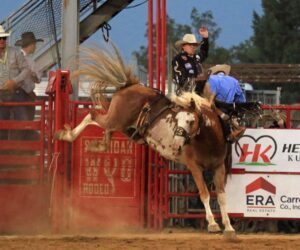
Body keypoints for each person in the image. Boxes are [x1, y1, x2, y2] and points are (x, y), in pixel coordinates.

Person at [0, 25, 30, 140]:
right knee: (1, 124)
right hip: (1, 94)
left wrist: (14, 81)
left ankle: (18, 149)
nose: (2, 40)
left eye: (4, 38)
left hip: (16, 92)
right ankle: (3, 153)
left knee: (22, 121)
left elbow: (26, 69)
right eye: (0, 38)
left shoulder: (15, 52)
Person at [207, 64, 246, 142]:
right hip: (228, 107)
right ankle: (233, 131)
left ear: (215, 72)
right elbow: (241, 99)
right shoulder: (234, 80)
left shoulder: (211, 78)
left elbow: (208, 95)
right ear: (225, 72)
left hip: (214, 106)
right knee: (229, 118)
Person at [15, 31, 44, 121]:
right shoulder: (26, 60)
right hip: (23, 95)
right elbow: (36, 80)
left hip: (19, 94)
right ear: (31, 45)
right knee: (26, 120)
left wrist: (33, 76)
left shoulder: (18, 58)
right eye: (34, 44)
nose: (35, 47)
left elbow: (37, 79)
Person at [172, 27, 209, 96]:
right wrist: (195, 80)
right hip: (184, 94)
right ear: (183, 46)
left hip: (199, 93)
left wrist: (205, 38)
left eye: (194, 45)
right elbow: (179, 79)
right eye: (190, 44)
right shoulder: (178, 59)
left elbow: (204, 52)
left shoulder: (196, 58)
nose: (193, 47)